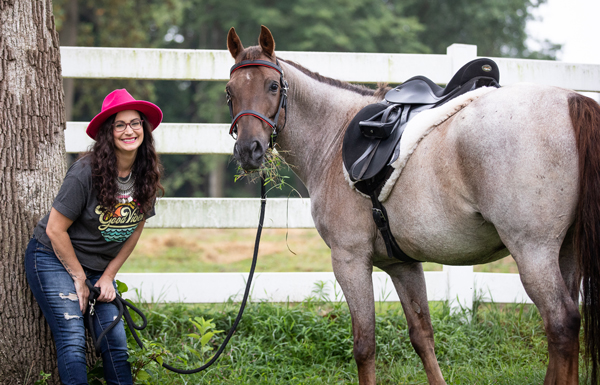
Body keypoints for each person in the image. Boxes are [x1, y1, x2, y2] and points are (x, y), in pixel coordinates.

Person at [25, 89, 164, 385]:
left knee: (116, 343)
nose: (130, 130)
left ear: (144, 128)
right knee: (73, 337)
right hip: (54, 258)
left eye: (136, 123)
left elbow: (136, 227)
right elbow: (54, 229)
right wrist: (78, 278)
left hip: (99, 268)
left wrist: (108, 276)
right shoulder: (85, 172)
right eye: (120, 124)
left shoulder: (146, 173)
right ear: (108, 132)